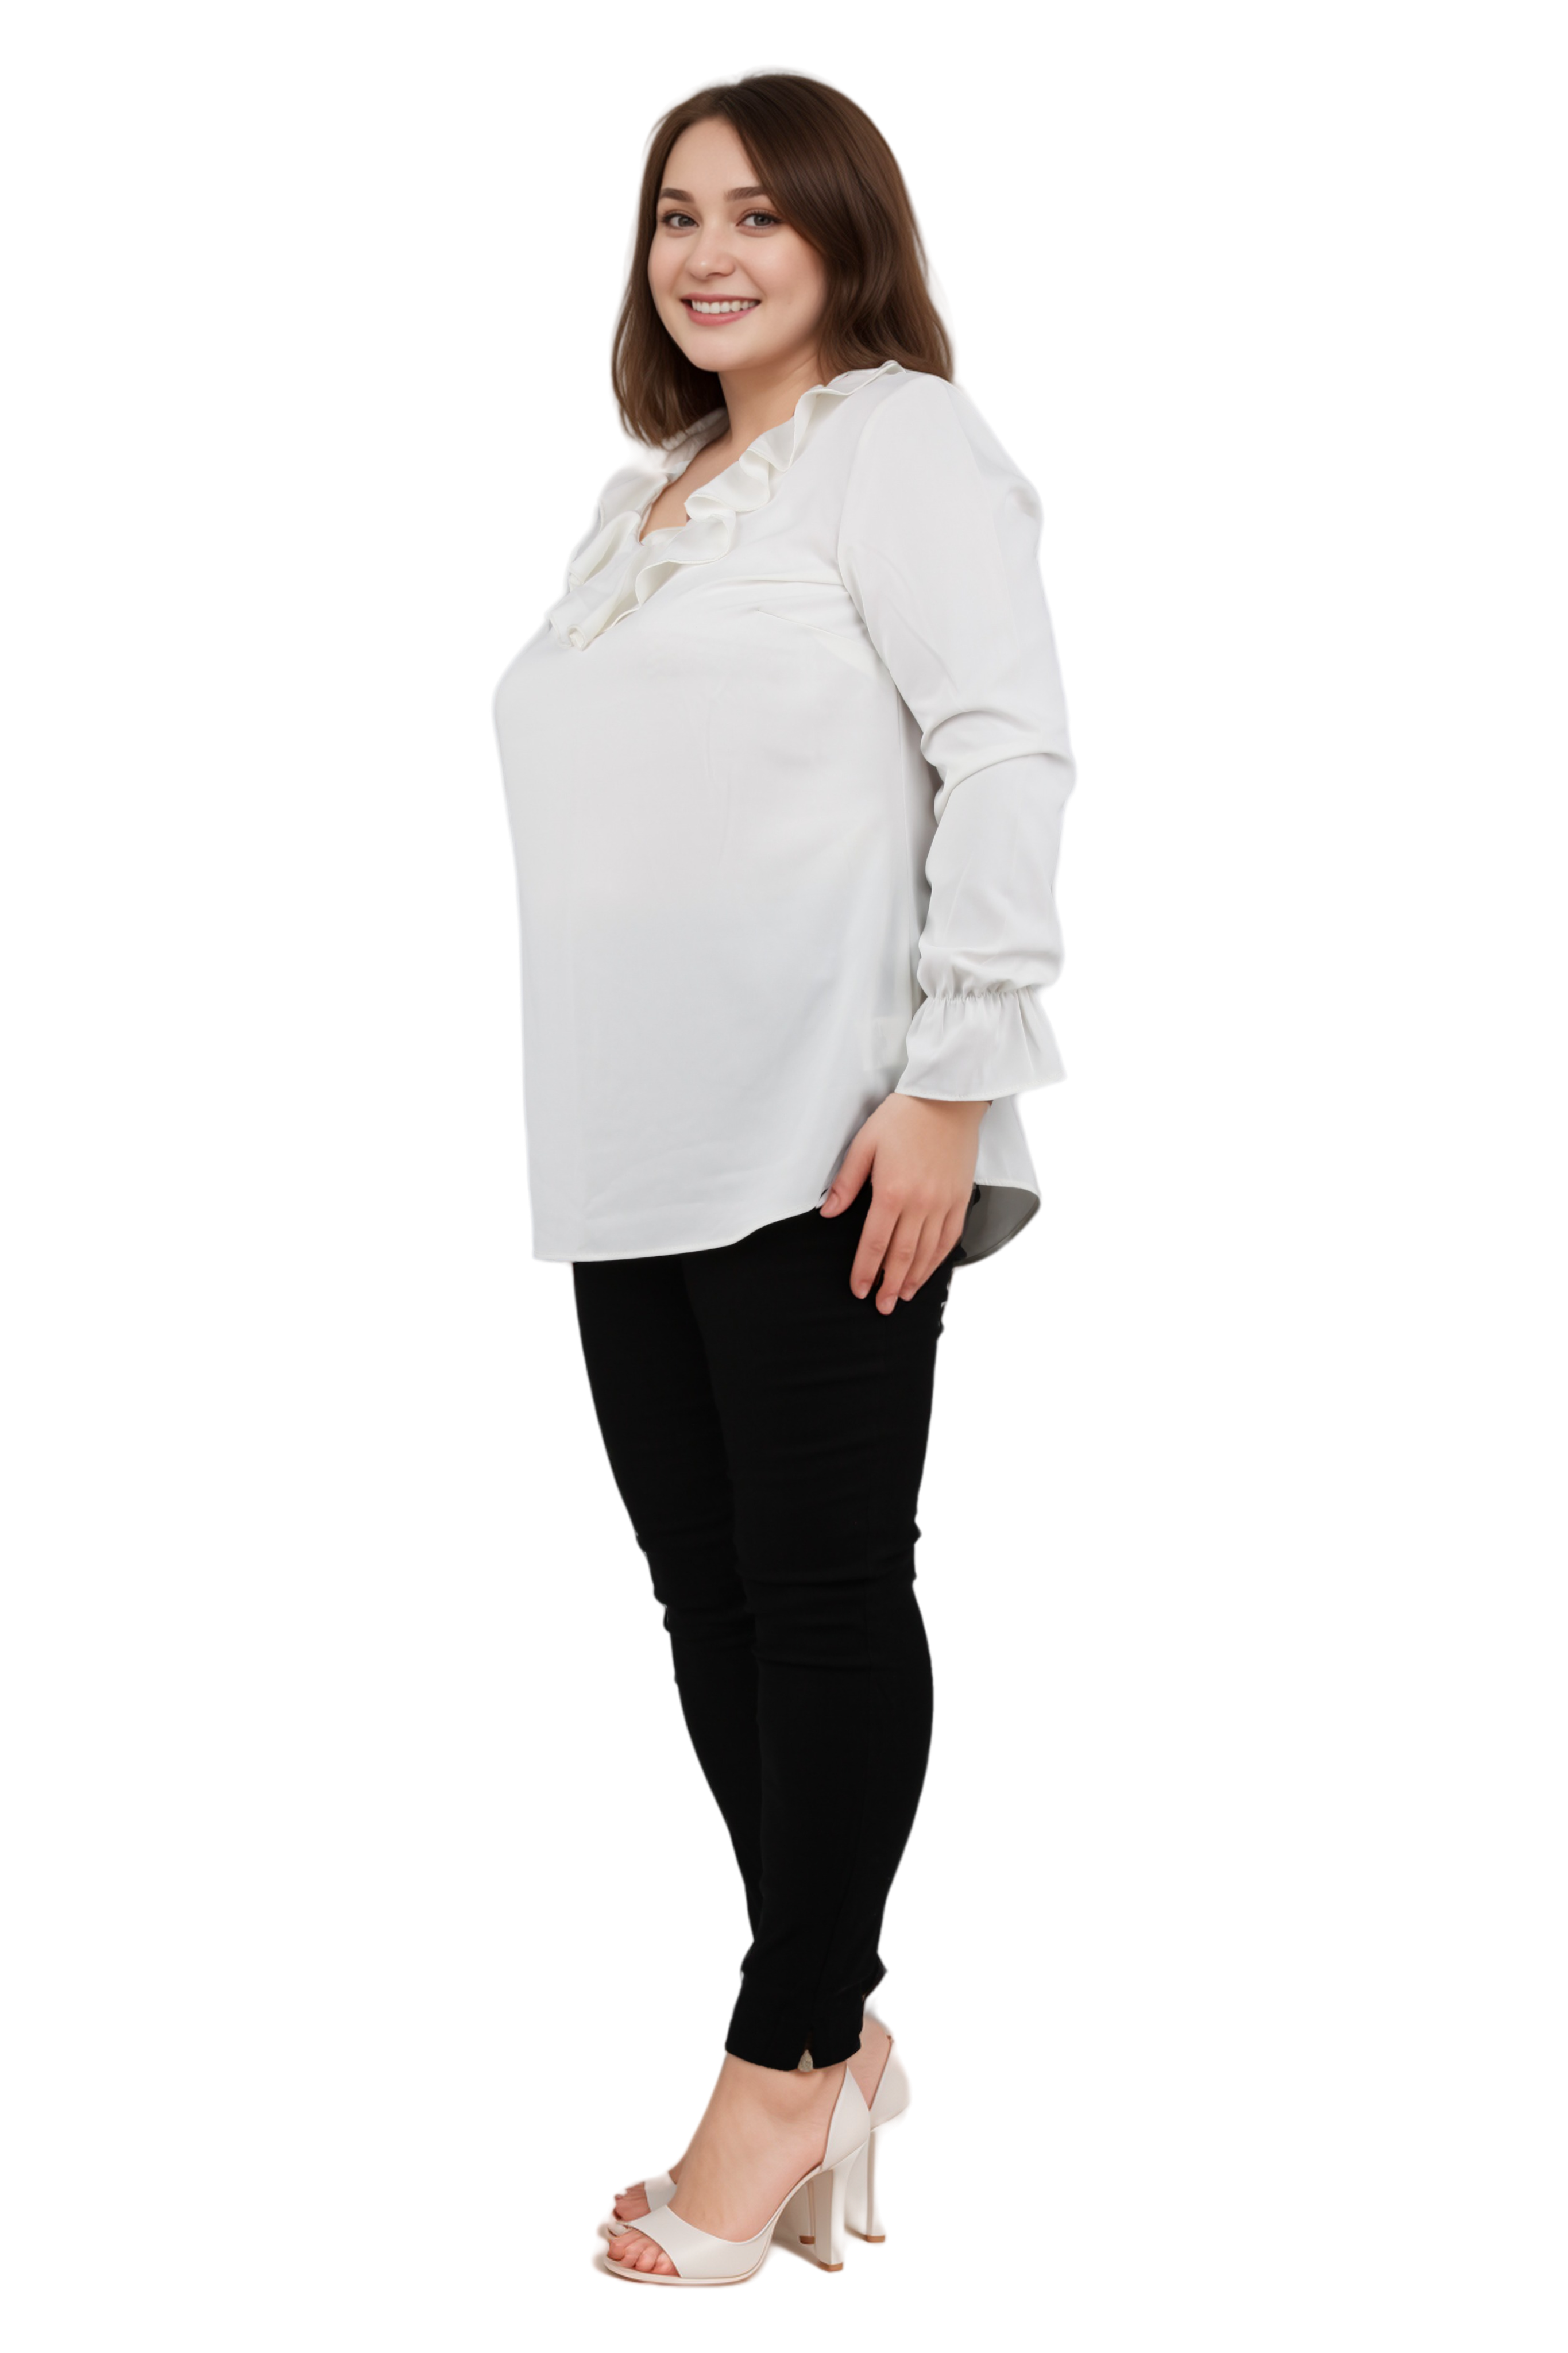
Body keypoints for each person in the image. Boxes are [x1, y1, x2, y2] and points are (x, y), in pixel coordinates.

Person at [489, 66, 1079, 2288]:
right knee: (706, 1605)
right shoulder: (638, 495)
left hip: (827, 1122)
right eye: (675, 213)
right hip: (622, 1139)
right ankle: (844, 2043)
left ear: (846, 234)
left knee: (823, 1593)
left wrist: (956, 1078)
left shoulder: (900, 443)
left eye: (759, 212)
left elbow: (1008, 746)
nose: (710, 253)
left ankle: (775, 2071)